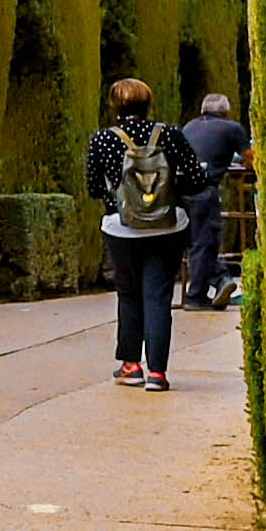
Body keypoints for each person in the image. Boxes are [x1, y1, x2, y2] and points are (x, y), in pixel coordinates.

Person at [92, 74, 210, 389]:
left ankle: (131, 366)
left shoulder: (103, 139)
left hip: (120, 228)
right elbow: (197, 181)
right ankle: (157, 372)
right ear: (148, 104)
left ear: (115, 105)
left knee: (129, 294)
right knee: (157, 296)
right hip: (167, 227)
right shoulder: (169, 134)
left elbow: (93, 187)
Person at [178, 89, 253, 307]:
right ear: (227, 112)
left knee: (196, 243)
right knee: (205, 242)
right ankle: (196, 296)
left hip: (179, 191)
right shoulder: (231, 128)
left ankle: (221, 279)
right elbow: (251, 158)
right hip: (204, 189)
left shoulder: (189, 126)